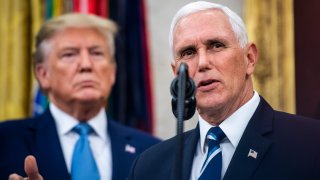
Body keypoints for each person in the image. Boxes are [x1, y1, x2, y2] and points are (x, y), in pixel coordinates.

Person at [129, 1, 320, 180]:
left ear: (250, 58)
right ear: (177, 75)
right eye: (188, 52)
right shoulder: (148, 167)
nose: (202, 63)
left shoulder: (311, 145)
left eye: (216, 45)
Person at [0, 13, 160, 180]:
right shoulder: (5, 142)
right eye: (69, 54)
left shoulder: (152, 151)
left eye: (96, 53)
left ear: (112, 72)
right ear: (43, 74)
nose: (86, 65)